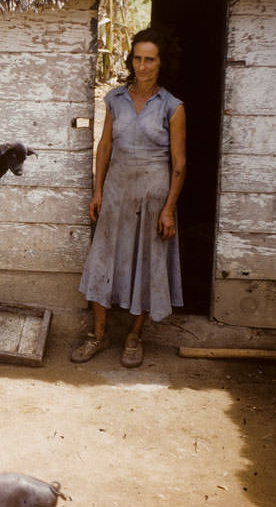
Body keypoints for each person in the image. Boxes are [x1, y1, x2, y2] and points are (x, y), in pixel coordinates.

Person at [72, 28, 186, 368]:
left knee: (147, 263)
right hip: (117, 190)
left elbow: (179, 164)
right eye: (137, 58)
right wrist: (98, 190)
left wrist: (168, 209)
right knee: (102, 259)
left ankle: (134, 338)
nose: (143, 65)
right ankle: (98, 333)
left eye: (150, 59)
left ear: (161, 63)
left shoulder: (172, 107)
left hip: (153, 195)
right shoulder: (115, 99)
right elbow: (105, 146)